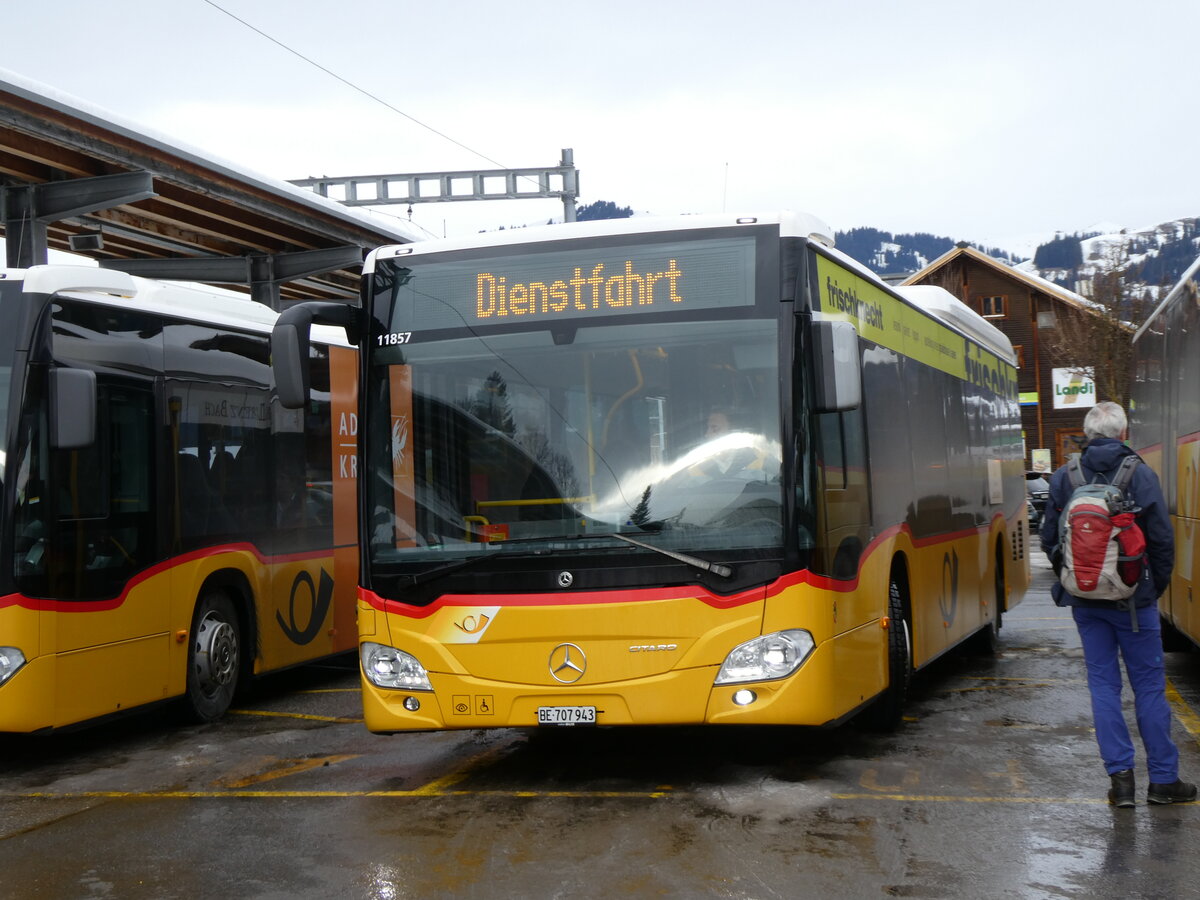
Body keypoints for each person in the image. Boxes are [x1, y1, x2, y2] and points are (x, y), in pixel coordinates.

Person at [1039, 401, 1196, 807]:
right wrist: (1151, 588)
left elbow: (1049, 537)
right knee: (1149, 686)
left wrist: (1075, 579)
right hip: (1134, 602)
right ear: (1123, 434)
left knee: (1103, 686)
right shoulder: (1139, 474)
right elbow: (1161, 540)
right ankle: (1163, 780)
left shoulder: (1065, 476)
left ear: (1088, 435)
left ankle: (1121, 782)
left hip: (1086, 601)